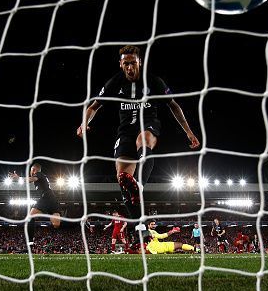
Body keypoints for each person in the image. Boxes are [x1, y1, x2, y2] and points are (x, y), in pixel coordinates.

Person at [76, 45, 200, 224]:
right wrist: (83, 124)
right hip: (125, 131)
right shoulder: (115, 82)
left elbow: (173, 105)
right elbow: (93, 107)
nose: (130, 67)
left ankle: (139, 185)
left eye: (133, 63)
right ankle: (138, 230)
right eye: (126, 63)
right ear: (120, 64)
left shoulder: (154, 81)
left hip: (148, 124)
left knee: (144, 139)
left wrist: (188, 132)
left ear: (139, 62)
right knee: (122, 180)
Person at [8, 163, 61, 246]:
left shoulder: (38, 174)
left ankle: (30, 242)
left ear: (34, 170)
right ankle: (78, 222)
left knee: (30, 217)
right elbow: (29, 181)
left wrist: (18, 178)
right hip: (52, 199)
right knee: (56, 224)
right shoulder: (41, 177)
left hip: (46, 197)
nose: (30, 172)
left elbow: (30, 179)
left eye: (31, 170)